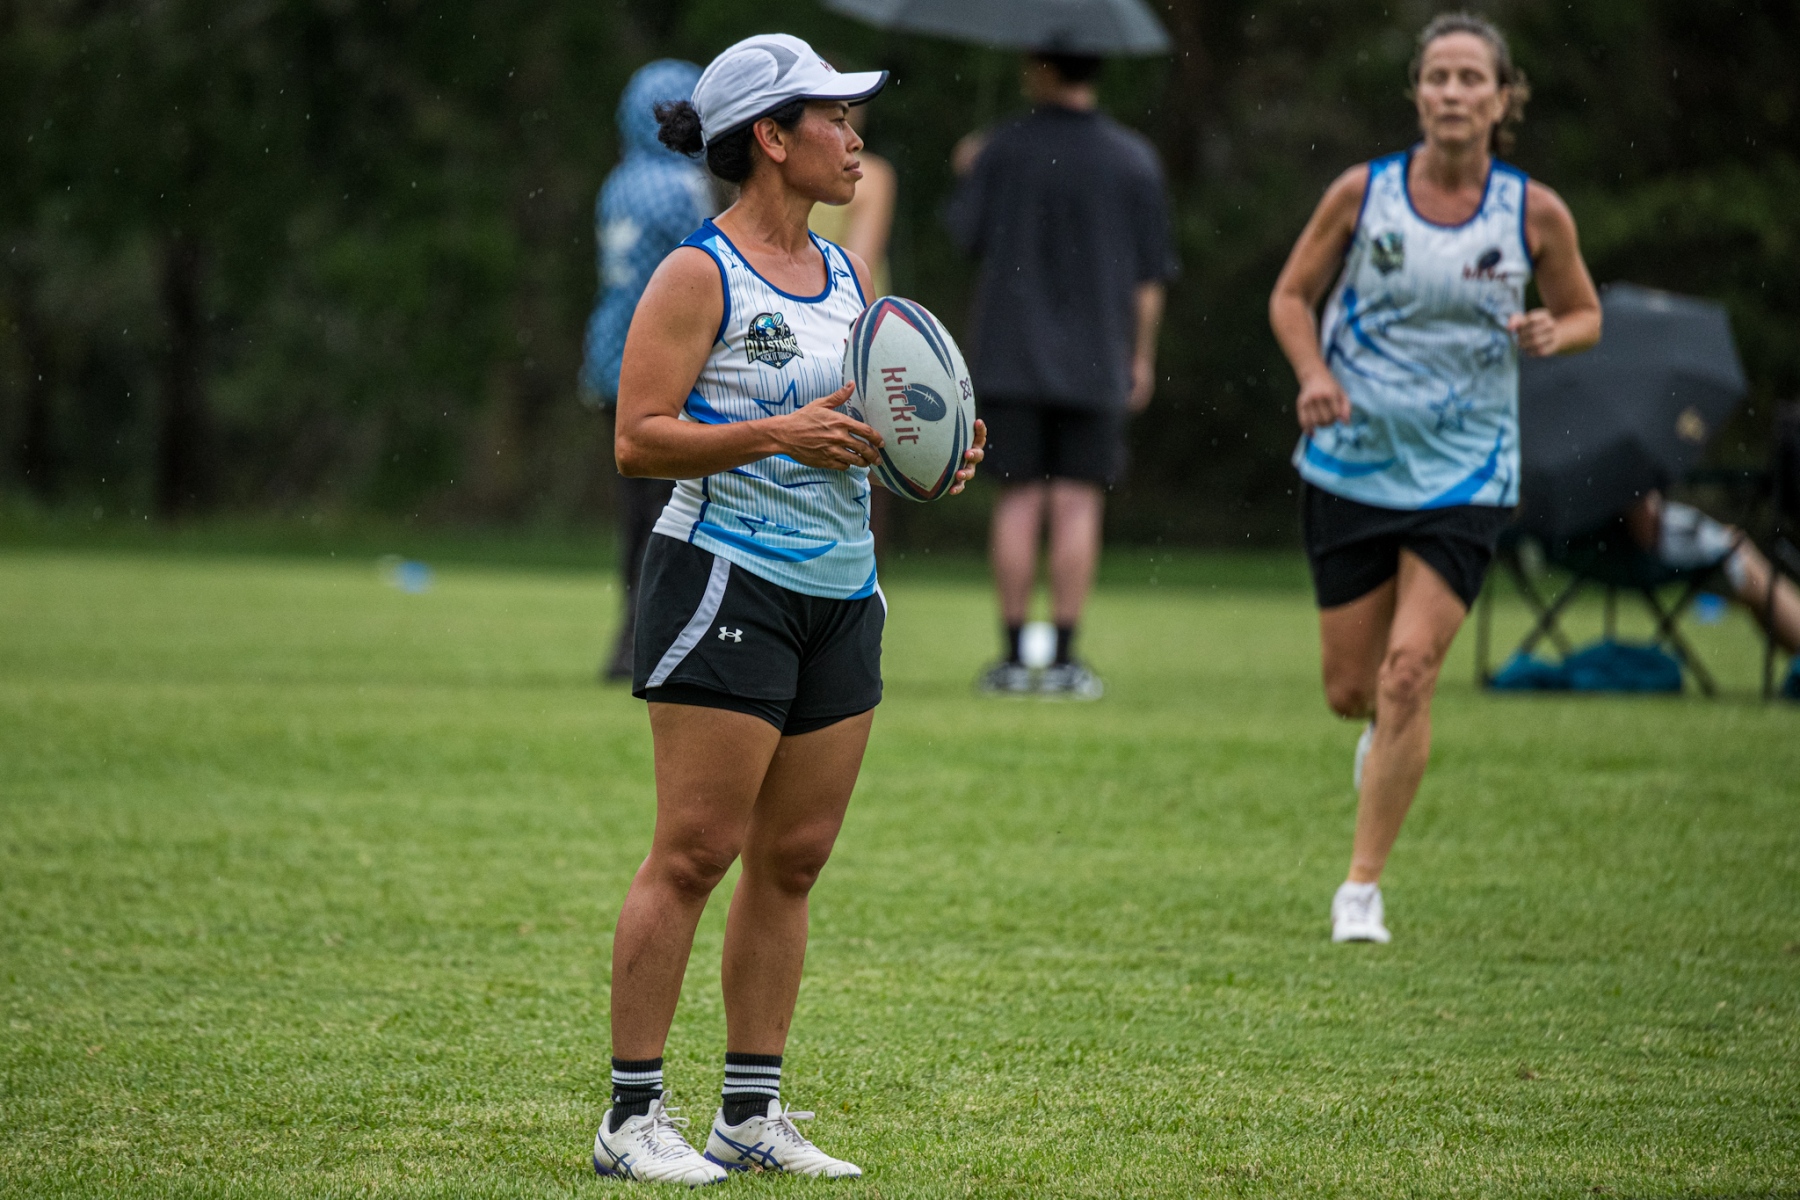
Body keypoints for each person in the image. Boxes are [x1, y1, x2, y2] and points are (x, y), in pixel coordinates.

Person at [593, 33, 985, 1184]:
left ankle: (749, 1114)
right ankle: (630, 1119)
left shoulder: (853, 279)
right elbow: (637, 439)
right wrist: (779, 432)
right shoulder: (698, 273)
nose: (855, 140)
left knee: (796, 858)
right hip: (726, 575)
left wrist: (930, 455)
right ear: (772, 137)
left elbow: (864, 422)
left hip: (841, 590)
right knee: (695, 852)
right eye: (834, 119)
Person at [1269, 13, 1602, 943]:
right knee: (1353, 689)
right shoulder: (1362, 193)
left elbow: (1584, 314)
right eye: (1439, 77)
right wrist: (1314, 374)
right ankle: (1380, 737)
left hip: (1469, 472)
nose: (1453, 92)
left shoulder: (1534, 213)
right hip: (1352, 463)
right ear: (1418, 94)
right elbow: (1290, 296)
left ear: (1503, 99)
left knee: (1411, 671)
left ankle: (1361, 889)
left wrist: (1555, 330)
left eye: (1471, 78)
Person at [946, 50, 1176, 699]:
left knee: (1018, 501)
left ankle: (1013, 656)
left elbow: (966, 238)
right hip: (1099, 355)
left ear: (1042, 68)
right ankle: (1068, 659)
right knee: (1077, 503)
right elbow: (1150, 276)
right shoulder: (1133, 158)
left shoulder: (1002, 148)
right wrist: (1141, 355)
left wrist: (970, 167)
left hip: (1010, 355)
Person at [580, 59, 716, 682]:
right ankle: (650, 638)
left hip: (610, 355)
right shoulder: (681, 188)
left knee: (637, 513)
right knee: (673, 512)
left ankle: (629, 637)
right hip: (660, 362)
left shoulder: (619, 183)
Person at [809, 101, 897, 549]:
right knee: (869, 455)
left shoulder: (784, 178)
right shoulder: (872, 175)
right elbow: (856, 264)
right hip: (857, 333)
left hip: (792, 327)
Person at [1624, 490, 1800, 692]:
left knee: (1741, 559)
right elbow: (1646, 531)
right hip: (1652, 550)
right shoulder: (1624, 485)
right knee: (1740, 554)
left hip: (1630, 550)